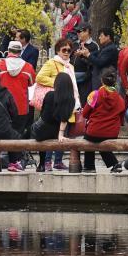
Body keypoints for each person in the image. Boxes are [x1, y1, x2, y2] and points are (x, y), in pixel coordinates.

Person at [35, 38, 81, 171]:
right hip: (55, 102)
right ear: (57, 50)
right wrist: (57, 83)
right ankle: (48, 161)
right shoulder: (51, 63)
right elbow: (40, 77)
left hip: (69, 101)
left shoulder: (70, 66)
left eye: (69, 50)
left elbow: (74, 86)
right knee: (53, 133)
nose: (66, 52)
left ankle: (58, 161)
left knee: (64, 134)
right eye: (64, 50)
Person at [80, 68, 124, 173]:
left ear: (102, 81)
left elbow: (85, 113)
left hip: (94, 131)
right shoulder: (120, 99)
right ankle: (115, 164)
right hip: (112, 132)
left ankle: (89, 166)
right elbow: (122, 119)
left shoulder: (95, 94)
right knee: (102, 141)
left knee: (88, 140)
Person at [33, 72, 76, 172]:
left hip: (41, 130)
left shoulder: (49, 95)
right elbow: (64, 119)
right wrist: (60, 134)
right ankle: (56, 161)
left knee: (34, 129)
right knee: (60, 132)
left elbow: (43, 113)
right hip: (56, 132)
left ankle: (42, 163)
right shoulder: (71, 99)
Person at [0, 40, 35, 138]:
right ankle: (16, 153)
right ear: (20, 51)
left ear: (8, 50)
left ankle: (2, 153)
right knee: (18, 135)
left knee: (1, 136)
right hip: (21, 107)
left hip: (2, 107)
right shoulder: (28, 67)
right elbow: (31, 83)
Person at [71, 23, 99, 100]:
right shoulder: (75, 44)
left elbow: (94, 63)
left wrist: (83, 56)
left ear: (87, 31)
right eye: (77, 31)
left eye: (79, 31)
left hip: (85, 79)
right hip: (72, 77)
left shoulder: (94, 46)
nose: (77, 33)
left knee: (83, 100)